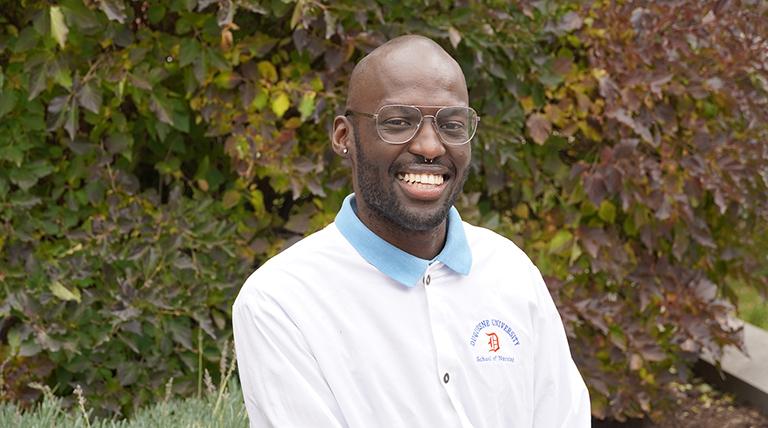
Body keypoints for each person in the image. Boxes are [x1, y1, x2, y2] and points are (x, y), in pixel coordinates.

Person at [232, 35, 590, 427]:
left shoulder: (511, 273)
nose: (430, 146)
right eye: (399, 121)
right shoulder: (282, 301)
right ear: (343, 136)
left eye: (452, 124)